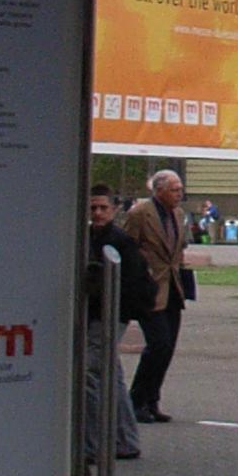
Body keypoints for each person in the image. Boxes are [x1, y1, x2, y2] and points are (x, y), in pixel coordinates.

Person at [122, 168, 195, 422]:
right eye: (174, 190)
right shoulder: (140, 214)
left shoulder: (178, 213)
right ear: (159, 190)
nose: (179, 194)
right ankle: (136, 401)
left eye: (180, 189)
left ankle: (152, 400)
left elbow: (178, 248)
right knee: (158, 344)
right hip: (150, 290)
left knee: (168, 348)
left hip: (173, 288)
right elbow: (127, 248)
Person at [83, 184, 143, 460]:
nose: (97, 213)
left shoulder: (120, 241)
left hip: (109, 315)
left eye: (103, 208)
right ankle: (124, 438)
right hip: (97, 315)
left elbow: (132, 282)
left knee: (91, 375)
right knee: (111, 376)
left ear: (114, 209)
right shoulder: (87, 237)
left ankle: (91, 445)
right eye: (93, 208)